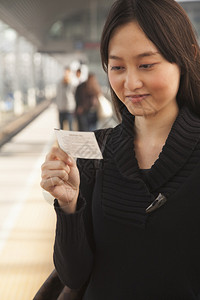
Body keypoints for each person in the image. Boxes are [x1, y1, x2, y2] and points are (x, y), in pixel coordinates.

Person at [41, 0, 200, 298]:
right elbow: (73, 275)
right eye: (117, 67)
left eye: (146, 64)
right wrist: (69, 205)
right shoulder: (94, 153)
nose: (130, 82)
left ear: (186, 57)